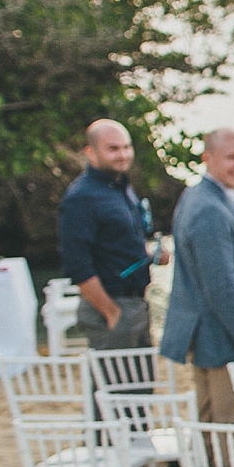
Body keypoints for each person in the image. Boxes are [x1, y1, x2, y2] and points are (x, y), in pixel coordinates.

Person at [159, 129, 234, 425]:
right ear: (207, 159)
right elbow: (222, 289)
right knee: (232, 435)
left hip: (216, 341)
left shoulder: (201, 196)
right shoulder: (208, 210)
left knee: (213, 427)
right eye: (232, 158)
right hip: (223, 344)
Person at [57, 118, 165, 350]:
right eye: (113, 149)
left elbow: (116, 247)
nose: (123, 154)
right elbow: (77, 265)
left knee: (143, 385)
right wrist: (111, 312)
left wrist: (151, 255)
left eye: (127, 147)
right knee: (115, 386)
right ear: (91, 153)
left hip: (137, 304)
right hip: (112, 309)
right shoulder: (81, 198)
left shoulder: (122, 188)